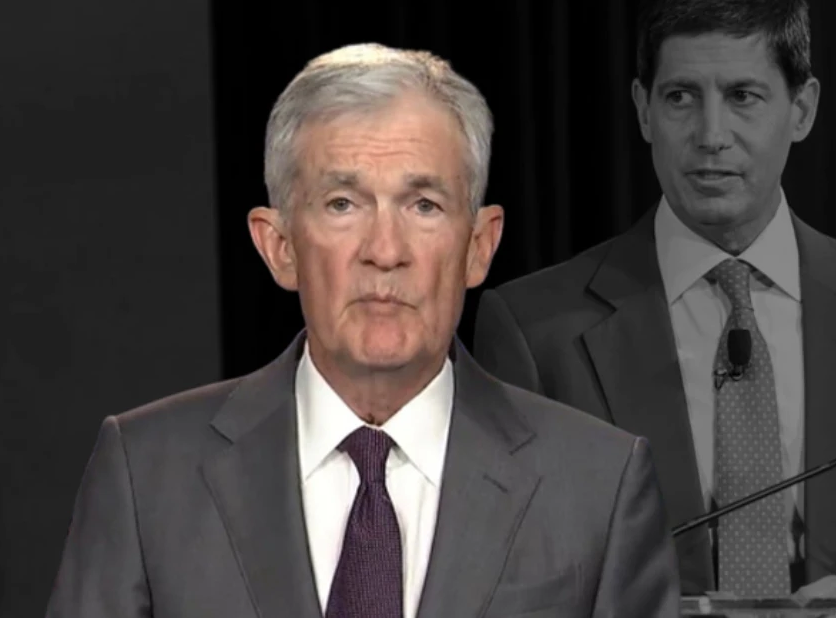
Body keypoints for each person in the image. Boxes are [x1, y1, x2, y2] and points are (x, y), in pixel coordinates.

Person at [46, 44, 680, 618]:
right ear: (279, 247)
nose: (385, 251)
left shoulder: (598, 485)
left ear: (478, 247)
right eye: (342, 204)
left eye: (424, 205)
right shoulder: (146, 474)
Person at [473, 0, 836, 600]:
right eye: (681, 97)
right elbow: (497, 584)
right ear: (643, 109)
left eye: (742, 97)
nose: (711, 134)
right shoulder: (536, 333)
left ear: (802, 109)